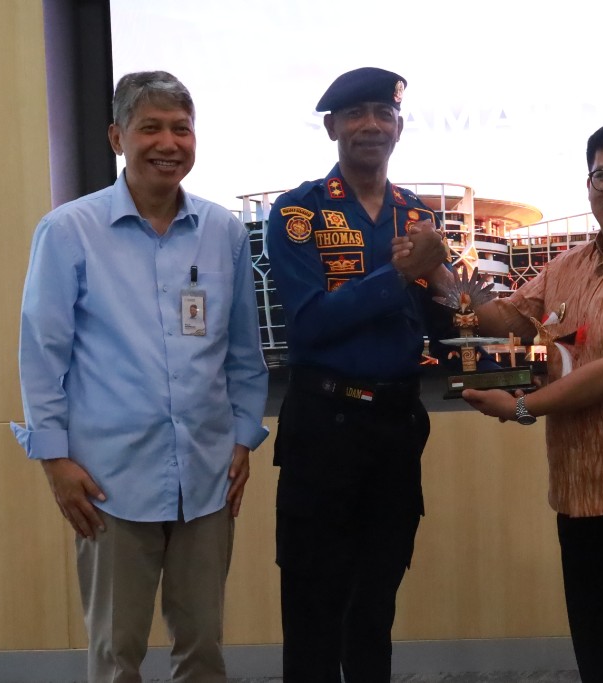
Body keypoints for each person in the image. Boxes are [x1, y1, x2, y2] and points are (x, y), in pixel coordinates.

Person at [404, 119, 603, 683]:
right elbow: (506, 320)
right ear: (589, 184)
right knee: (602, 655)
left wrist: (522, 408)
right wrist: (434, 267)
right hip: (580, 491)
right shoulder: (569, 266)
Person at [12, 71, 269, 682]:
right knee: (115, 653)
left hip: (206, 473)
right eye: (150, 127)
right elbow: (43, 354)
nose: (168, 143)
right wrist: (55, 462)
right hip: (108, 481)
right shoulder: (68, 231)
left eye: (182, 128)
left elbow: (243, 350)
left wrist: (242, 438)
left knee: (203, 648)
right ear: (117, 137)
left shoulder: (224, 232)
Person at [265, 67, 452, 682]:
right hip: (324, 426)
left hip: (396, 427)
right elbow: (310, 324)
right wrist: (398, 274)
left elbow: (444, 319)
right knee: (313, 607)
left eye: (383, 113)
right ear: (332, 128)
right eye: (355, 114)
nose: (371, 125)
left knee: (376, 603)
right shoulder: (299, 212)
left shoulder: (417, 216)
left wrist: (471, 312)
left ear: (398, 126)